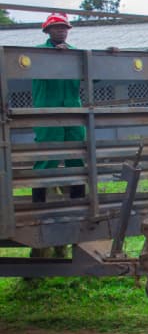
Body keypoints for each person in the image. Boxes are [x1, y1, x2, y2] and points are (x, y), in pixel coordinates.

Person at [30, 13, 86, 257]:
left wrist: (110, 54)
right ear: (47, 31)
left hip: (73, 111)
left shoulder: (76, 53)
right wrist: (54, 56)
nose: (61, 31)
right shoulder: (36, 54)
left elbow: (95, 72)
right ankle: (38, 208)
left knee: (78, 158)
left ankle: (80, 207)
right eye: (56, 28)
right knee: (46, 158)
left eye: (64, 28)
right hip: (48, 111)